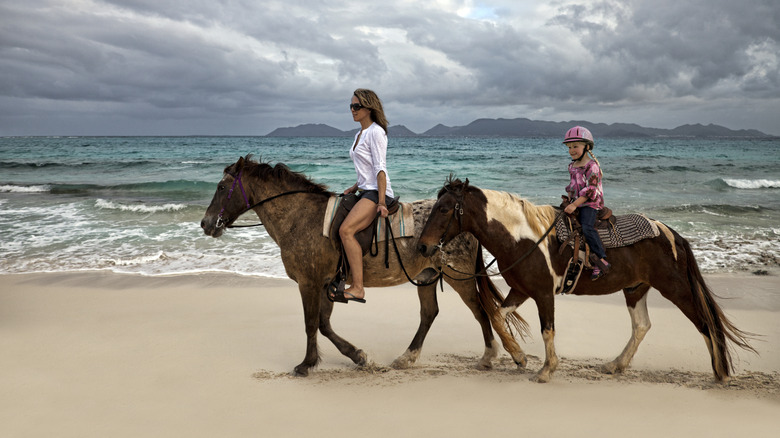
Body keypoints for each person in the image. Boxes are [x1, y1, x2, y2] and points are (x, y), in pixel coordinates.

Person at [329, 88, 395, 303]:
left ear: (369, 107)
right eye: (351, 106)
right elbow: (366, 169)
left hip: (377, 192)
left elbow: (380, 168)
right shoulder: (359, 134)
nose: (352, 110)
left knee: (346, 230)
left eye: (356, 106)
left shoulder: (376, 132)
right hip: (366, 189)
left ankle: (358, 287)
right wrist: (355, 186)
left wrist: (382, 201)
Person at [562, 126, 611, 280]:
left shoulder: (592, 166)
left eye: (575, 146)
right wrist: (569, 201)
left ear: (587, 147)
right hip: (576, 201)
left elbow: (591, 191)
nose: (571, 150)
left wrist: (575, 205)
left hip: (590, 203)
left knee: (587, 227)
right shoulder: (572, 166)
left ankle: (601, 258)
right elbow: (573, 186)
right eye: (569, 147)